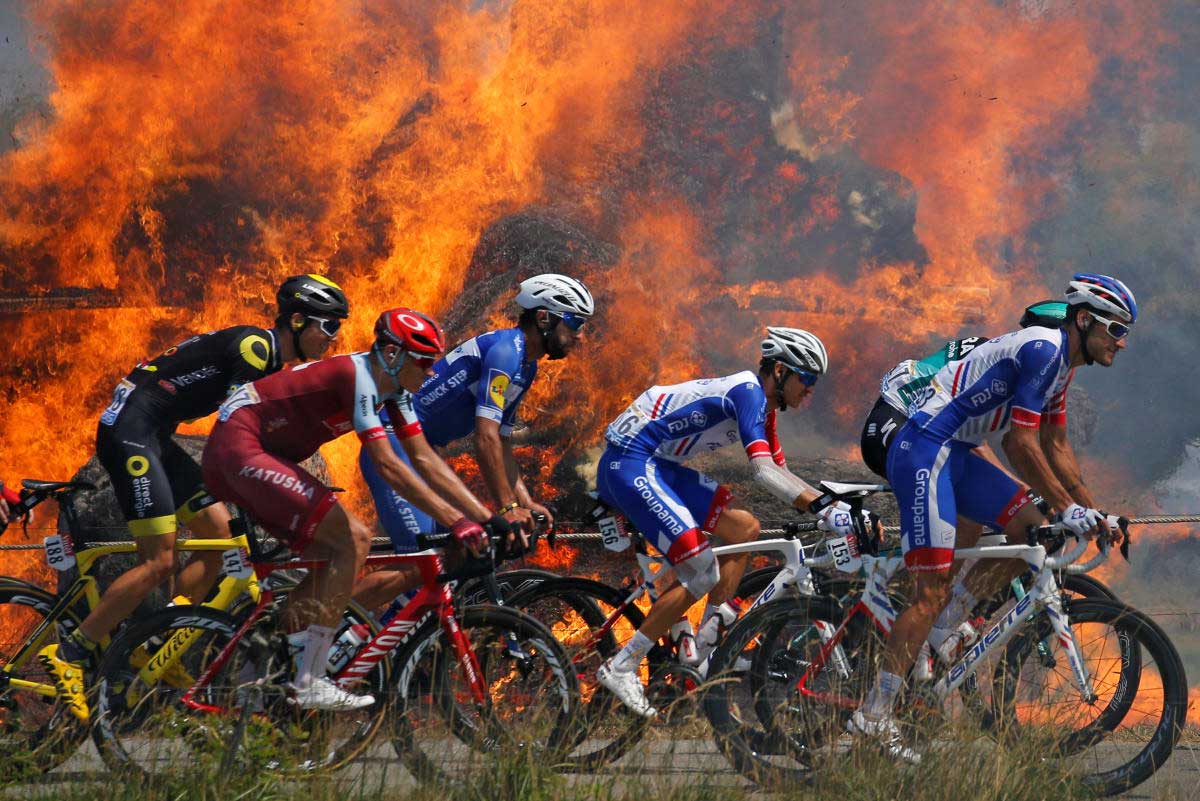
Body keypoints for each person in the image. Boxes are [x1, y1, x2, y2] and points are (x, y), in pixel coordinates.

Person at [39, 274, 349, 722]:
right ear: (298, 321)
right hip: (131, 432)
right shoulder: (256, 350)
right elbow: (236, 429)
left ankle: (156, 643)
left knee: (218, 537)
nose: (333, 338)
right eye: (329, 326)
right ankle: (70, 651)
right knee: (160, 560)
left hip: (156, 434)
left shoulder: (268, 358)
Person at [850, 274, 1135, 761]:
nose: (1121, 342)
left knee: (1032, 531)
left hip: (956, 451)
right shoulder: (1043, 351)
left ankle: (942, 630)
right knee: (929, 592)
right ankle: (872, 715)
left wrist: (1092, 509)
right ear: (1085, 319)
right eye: (1116, 329)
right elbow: (1019, 444)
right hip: (925, 447)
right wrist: (1070, 508)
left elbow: (1056, 445)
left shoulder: (1062, 367)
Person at [202, 308, 505, 709]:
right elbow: (388, 465)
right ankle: (309, 678)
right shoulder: (357, 376)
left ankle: (253, 677)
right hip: (240, 445)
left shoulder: (394, 390)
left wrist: (484, 517)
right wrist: (456, 521)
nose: (432, 372)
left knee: (327, 564)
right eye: (424, 362)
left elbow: (424, 459)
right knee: (355, 539)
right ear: (393, 355)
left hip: (258, 451)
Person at [591, 327, 872, 717]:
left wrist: (838, 509)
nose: (810, 390)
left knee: (744, 527)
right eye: (806, 378)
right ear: (779, 371)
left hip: (659, 463)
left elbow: (782, 472)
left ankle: (709, 645)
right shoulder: (748, 393)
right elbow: (762, 472)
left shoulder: (763, 408)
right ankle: (621, 666)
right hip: (630, 460)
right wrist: (828, 511)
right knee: (702, 569)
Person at [351, 273, 593, 610]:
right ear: (543, 317)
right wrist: (507, 508)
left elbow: (502, 443)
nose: (579, 336)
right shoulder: (507, 352)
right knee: (418, 564)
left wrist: (525, 502)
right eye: (575, 323)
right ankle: (321, 626)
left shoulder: (526, 367)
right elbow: (485, 437)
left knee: (455, 556)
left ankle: (390, 635)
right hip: (394, 446)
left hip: (423, 452)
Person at [859, 300, 1068, 665]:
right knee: (962, 522)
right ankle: (929, 614)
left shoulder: (1022, 359)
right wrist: (1023, 489)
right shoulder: (1009, 356)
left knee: (977, 517)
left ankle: (936, 617)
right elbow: (967, 438)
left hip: (926, 430)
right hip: (896, 422)